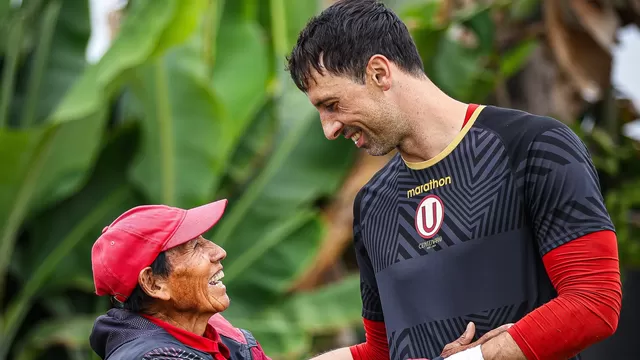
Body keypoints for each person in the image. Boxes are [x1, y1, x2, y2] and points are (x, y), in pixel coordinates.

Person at [285, 0, 623, 359]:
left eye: (332, 105)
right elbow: (382, 352)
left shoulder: (536, 147)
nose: (329, 129)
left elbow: (594, 301)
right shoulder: (371, 203)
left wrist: (475, 357)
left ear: (380, 73)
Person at [88, 199, 501, 359]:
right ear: (154, 283)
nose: (218, 252)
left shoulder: (217, 335)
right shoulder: (151, 359)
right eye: (194, 247)